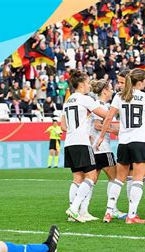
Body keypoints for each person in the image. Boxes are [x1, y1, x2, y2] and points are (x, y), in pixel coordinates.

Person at [96, 68, 145, 224]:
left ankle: (108, 212)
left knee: (119, 179)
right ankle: (132, 215)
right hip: (139, 141)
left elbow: (108, 119)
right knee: (138, 180)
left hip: (123, 142)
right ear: (140, 82)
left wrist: (101, 137)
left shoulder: (119, 96)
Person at [63, 70, 108, 223]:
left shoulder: (68, 101)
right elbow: (104, 114)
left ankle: (78, 213)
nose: (89, 85)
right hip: (81, 142)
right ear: (81, 84)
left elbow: (63, 125)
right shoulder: (85, 99)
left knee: (77, 178)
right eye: (88, 82)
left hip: (69, 142)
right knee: (92, 176)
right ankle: (74, 209)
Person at [88, 79, 127, 223]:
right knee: (115, 177)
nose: (112, 91)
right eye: (110, 88)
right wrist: (115, 131)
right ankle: (113, 209)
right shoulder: (100, 106)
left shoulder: (100, 105)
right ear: (104, 91)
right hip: (102, 147)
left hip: (95, 147)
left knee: (92, 180)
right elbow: (98, 125)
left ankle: (80, 208)